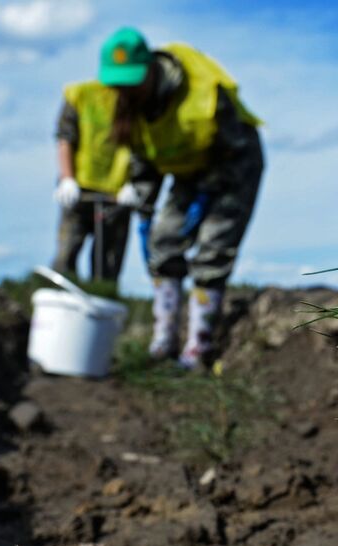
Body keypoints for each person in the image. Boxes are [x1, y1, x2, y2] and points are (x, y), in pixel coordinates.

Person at [96, 26, 264, 369]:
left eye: (131, 81)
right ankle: (164, 339)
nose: (124, 90)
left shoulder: (204, 96)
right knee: (164, 242)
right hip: (187, 171)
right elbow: (146, 162)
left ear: (150, 70)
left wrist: (207, 196)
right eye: (118, 83)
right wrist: (142, 207)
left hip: (234, 164)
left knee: (212, 248)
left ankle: (198, 347)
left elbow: (232, 148)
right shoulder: (133, 107)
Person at [51, 75, 135, 283]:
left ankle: (103, 299)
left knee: (107, 264)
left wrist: (134, 183)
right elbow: (65, 138)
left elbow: (144, 147)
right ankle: (62, 296)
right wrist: (67, 178)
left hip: (117, 196)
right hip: (79, 192)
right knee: (66, 254)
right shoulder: (81, 95)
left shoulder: (139, 101)